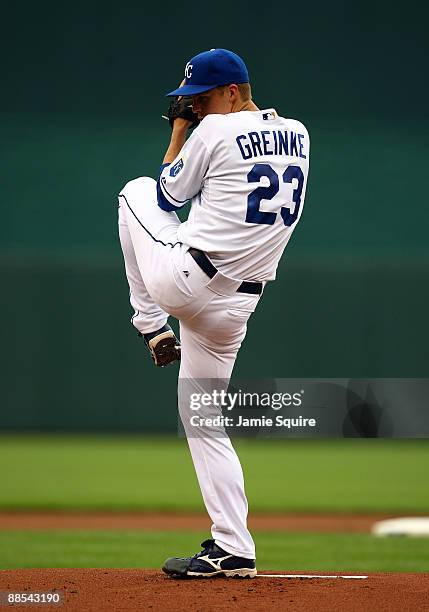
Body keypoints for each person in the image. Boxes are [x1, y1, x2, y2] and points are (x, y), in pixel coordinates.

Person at [117, 48, 310, 578]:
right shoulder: (300, 134)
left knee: (132, 194)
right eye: (189, 102)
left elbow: (167, 193)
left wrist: (180, 135)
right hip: (237, 307)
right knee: (203, 420)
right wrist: (204, 122)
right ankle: (234, 547)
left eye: (201, 98)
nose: (194, 108)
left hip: (185, 284)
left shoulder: (211, 133)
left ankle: (149, 325)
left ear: (231, 91)